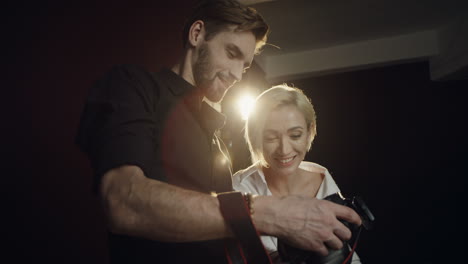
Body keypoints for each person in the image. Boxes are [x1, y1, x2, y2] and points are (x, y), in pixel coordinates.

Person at [75, 0, 361, 263]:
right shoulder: (133, 85)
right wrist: (275, 213)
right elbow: (123, 201)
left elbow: (221, 242)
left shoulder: (217, 138)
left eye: (245, 65)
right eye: (232, 53)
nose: (237, 74)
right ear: (197, 34)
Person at [233, 84, 362, 263]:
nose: (284, 150)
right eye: (271, 138)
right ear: (257, 137)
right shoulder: (238, 188)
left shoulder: (323, 181)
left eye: (295, 135)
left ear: (310, 131)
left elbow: (345, 254)